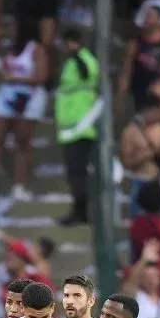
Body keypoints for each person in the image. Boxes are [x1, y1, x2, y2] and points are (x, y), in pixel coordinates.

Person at [0, 17, 49, 206]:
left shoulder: (36, 49)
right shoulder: (8, 48)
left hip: (29, 97)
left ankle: (19, 186)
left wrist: (16, 79)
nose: (10, 30)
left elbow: (41, 76)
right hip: (7, 96)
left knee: (22, 142)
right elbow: (3, 71)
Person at [55, 28, 101, 226]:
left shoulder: (85, 59)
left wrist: (76, 53)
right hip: (69, 128)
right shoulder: (69, 63)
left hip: (82, 126)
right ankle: (78, 209)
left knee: (78, 172)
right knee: (74, 174)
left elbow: (87, 74)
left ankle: (82, 212)